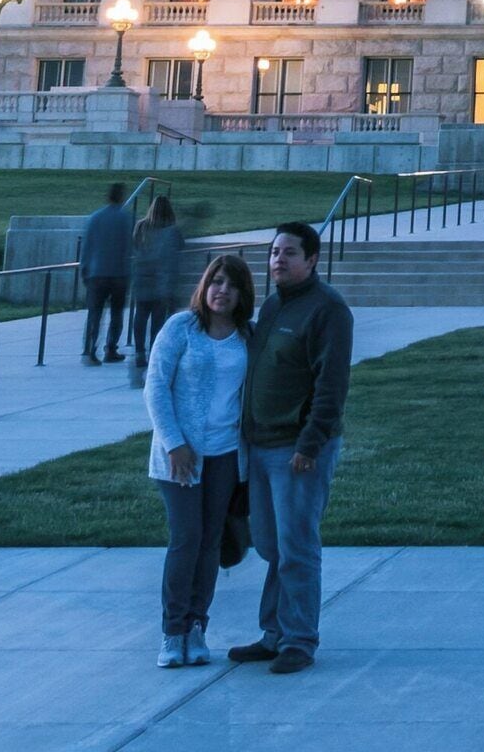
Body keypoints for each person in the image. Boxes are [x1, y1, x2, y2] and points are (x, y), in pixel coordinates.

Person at [224, 221, 350, 675]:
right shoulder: (276, 304)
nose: (279, 260)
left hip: (297, 450)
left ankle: (300, 640)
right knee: (271, 546)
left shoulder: (328, 310)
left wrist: (310, 443)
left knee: (297, 546)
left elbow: (332, 386)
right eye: (275, 252)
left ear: (312, 259)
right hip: (260, 446)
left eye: (290, 253)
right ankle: (273, 633)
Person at [143, 251, 256, 667]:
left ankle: (197, 627)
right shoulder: (181, 328)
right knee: (186, 539)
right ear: (204, 286)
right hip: (180, 457)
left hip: (226, 455)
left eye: (231, 284)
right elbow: (155, 388)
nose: (222, 291)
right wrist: (175, 443)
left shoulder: (247, 336)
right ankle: (172, 633)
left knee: (210, 543)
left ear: (243, 293)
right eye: (216, 281)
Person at [126, 194, 191, 383]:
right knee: (157, 320)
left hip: (142, 278)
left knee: (140, 316)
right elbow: (180, 247)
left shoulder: (141, 227)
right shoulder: (172, 231)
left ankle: (139, 351)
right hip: (160, 281)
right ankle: (153, 351)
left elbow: (134, 247)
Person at [78, 182, 137, 364]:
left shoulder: (95, 218)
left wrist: (85, 269)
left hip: (97, 273)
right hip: (119, 274)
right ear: (121, 196)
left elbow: (87, 246)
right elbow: (130, 247)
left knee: (94, 314)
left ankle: (89, 350)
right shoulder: (126, 219)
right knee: (116, 314)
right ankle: (111, 348)